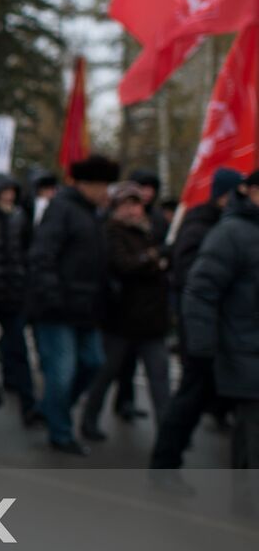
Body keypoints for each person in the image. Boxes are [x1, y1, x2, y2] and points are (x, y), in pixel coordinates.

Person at [152, 168, 244, 468]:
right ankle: (164, 463)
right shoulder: (203, 227)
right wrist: (202, 342)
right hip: (204, 334)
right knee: (191, 397)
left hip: (227, 334)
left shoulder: (225, 226)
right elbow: (194, 284)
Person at [27, 154, 119, 455]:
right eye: (101, 185)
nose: (106, 192)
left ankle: (49, 408)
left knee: (93, 363)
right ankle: (61, 432)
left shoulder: (94, 215)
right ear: (84, 184)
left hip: (86, 309)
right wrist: (52, 297)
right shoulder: (62, 209)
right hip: (58, 310)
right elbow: (42, 256)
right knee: (62, 373)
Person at [80, 182, 172, 441]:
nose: (133, 210)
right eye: (127, 205)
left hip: (152, 322)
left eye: (136, 204)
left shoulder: (150, 231)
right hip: (121, 320)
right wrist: (153, 258)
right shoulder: (110, 232)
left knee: (160, 381)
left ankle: (168, 437)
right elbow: (124, 265)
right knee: (105, 374)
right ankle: (89, 421)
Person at [182, 169, 259, 468]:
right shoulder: (231, 233)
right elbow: (201, 290)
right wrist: (203, 347)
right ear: (251, 191)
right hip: (244, 350)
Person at [0, 173, 39, 425]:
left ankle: (29, 405)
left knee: (19, 351)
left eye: (12, 191)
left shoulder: (20, 218)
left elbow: (27, 252)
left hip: (13, 295)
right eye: (4, 191)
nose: (9, 196)